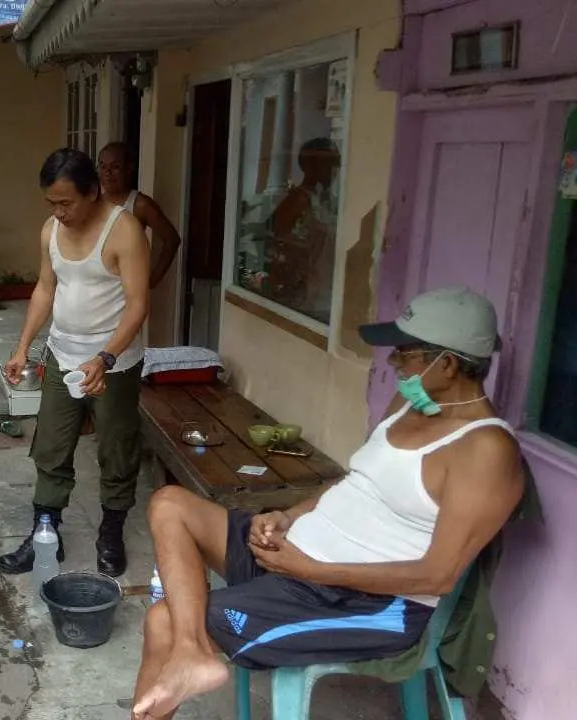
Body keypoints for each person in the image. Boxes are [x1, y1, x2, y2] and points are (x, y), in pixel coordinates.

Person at [129, 286, 526, 719]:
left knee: (163, 621)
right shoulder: (409, 405)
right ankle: (194, 653)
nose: (394, 365)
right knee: (170, 504)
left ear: (447, 364)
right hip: (295, 558)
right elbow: (356, 483)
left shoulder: (484, 450)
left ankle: (188, 650)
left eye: (405, 355)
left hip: (360, 603)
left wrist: (311, 569)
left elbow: (438, 576)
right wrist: (287, 515)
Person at [0, 148, 151, 578]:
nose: (59, 212)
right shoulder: (51, 230)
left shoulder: (125, 230)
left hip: (113, 364)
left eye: (66, 203)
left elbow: (138, 305)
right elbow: (45, 289)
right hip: (61, 354)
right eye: (52, 203)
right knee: (50, 446)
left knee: (116, 449)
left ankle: (111, 532)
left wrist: (106, 357)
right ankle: (45, 532)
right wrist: (23, 346)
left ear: (93, 192)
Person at [266, 137, 340, 321]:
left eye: (334, 165)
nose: (333, 171)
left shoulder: (322, 199)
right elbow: (275, 236)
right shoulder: (300, 199)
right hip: (308, 288)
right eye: (327, 164)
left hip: (323, 283)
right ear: (309, 166)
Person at [97, 142, 183, 289]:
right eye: (103, 166)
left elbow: (172, 240)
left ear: (129, 168)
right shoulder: (93, 202)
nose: (108, 172)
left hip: (125, 293)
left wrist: (151, 282)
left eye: (115, 167)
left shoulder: (140, 205)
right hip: (96, 290)